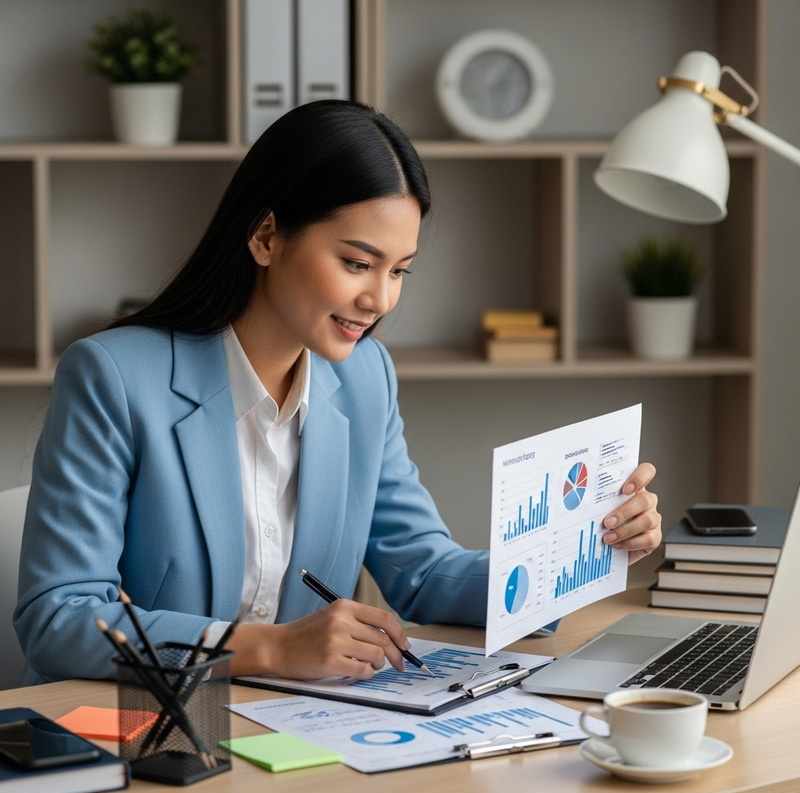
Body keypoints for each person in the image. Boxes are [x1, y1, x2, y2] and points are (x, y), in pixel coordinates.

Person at [14, 100, 661, 685]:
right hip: (169, 742)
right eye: (356, 263)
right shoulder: (114, 377)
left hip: (308, 739)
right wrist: (265, 649)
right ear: (266, 236)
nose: (379, 300)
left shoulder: (363, 379)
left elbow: (424, 573)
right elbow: (60, 618)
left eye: (398, 271)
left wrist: (580, 547)